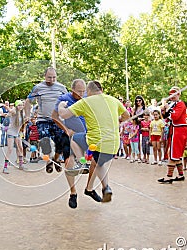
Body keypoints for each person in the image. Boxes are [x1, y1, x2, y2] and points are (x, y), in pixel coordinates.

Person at [58, 81, 130, 204]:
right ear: (101, 89)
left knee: (74, 139)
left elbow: (64, 115)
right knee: (98, 163)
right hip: (113, 144)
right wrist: (117, 120)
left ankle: (82, 163)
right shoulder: (113, 100)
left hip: (95, 142)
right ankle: (101, 188)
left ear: (89, 91)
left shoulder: (86, 102)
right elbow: (127, 115)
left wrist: (61, 105)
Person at [52, 79, 92, 208]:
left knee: (96, 162)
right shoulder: (64, 99)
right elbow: (54, 116)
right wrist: (67, 129)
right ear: (72, 90)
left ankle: (90, 188)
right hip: (69, 134)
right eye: (78, 91)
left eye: (83, 91)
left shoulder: (87, 98)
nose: (81, 94)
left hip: (85, 135)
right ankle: (73, 192)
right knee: (69, 162)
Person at [25, 67, 68, 173]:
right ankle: (48, 161)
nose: (52, 80)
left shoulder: (61, 88)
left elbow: (68, 102)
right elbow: (28, 101)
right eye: (49, 77)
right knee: (45, 140)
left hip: (58, 119)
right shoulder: (38, 88)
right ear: (44, 76)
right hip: (43, 119)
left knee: (61, 142)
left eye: (54, 77)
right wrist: (27, 115)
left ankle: (56, 159)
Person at [158, 87, 187, 183]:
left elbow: (175, 116)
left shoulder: (181, 104)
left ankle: (169, 176)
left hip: (178, 130)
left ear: (178, 94)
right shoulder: (174, 104)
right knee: (177, 154)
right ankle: (180, 175)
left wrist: (167, 108)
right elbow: (166, 117)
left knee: (173, 153)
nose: (171, 97)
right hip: (175, 129)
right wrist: (163, 111)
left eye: (173, 95)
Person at [2, 100, 25, 173]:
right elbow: (10, 111)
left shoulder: (22, 113)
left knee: (20, 148)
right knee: (10, 149)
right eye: (19, 105)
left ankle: (21, 164)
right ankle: (5, 167)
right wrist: (6, 107)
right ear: (16, 106)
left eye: (21, 105)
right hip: (11, 133)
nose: (20, 106)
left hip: (17, 133)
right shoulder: (14, 111)